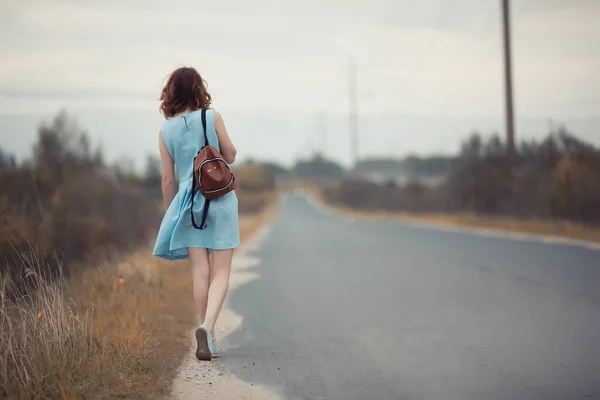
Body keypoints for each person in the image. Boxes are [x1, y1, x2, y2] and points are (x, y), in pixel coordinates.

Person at [153, 66, 240, 361]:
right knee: (222, 272)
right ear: (198, 89)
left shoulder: (165, 131)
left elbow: (168, 180)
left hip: (189, 205)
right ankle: (207, 327)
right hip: (221, 199)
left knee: (200, 272)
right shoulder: (211, 117)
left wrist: (172, 213)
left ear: (172, 93)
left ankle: (207, 335)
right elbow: (229, 155)